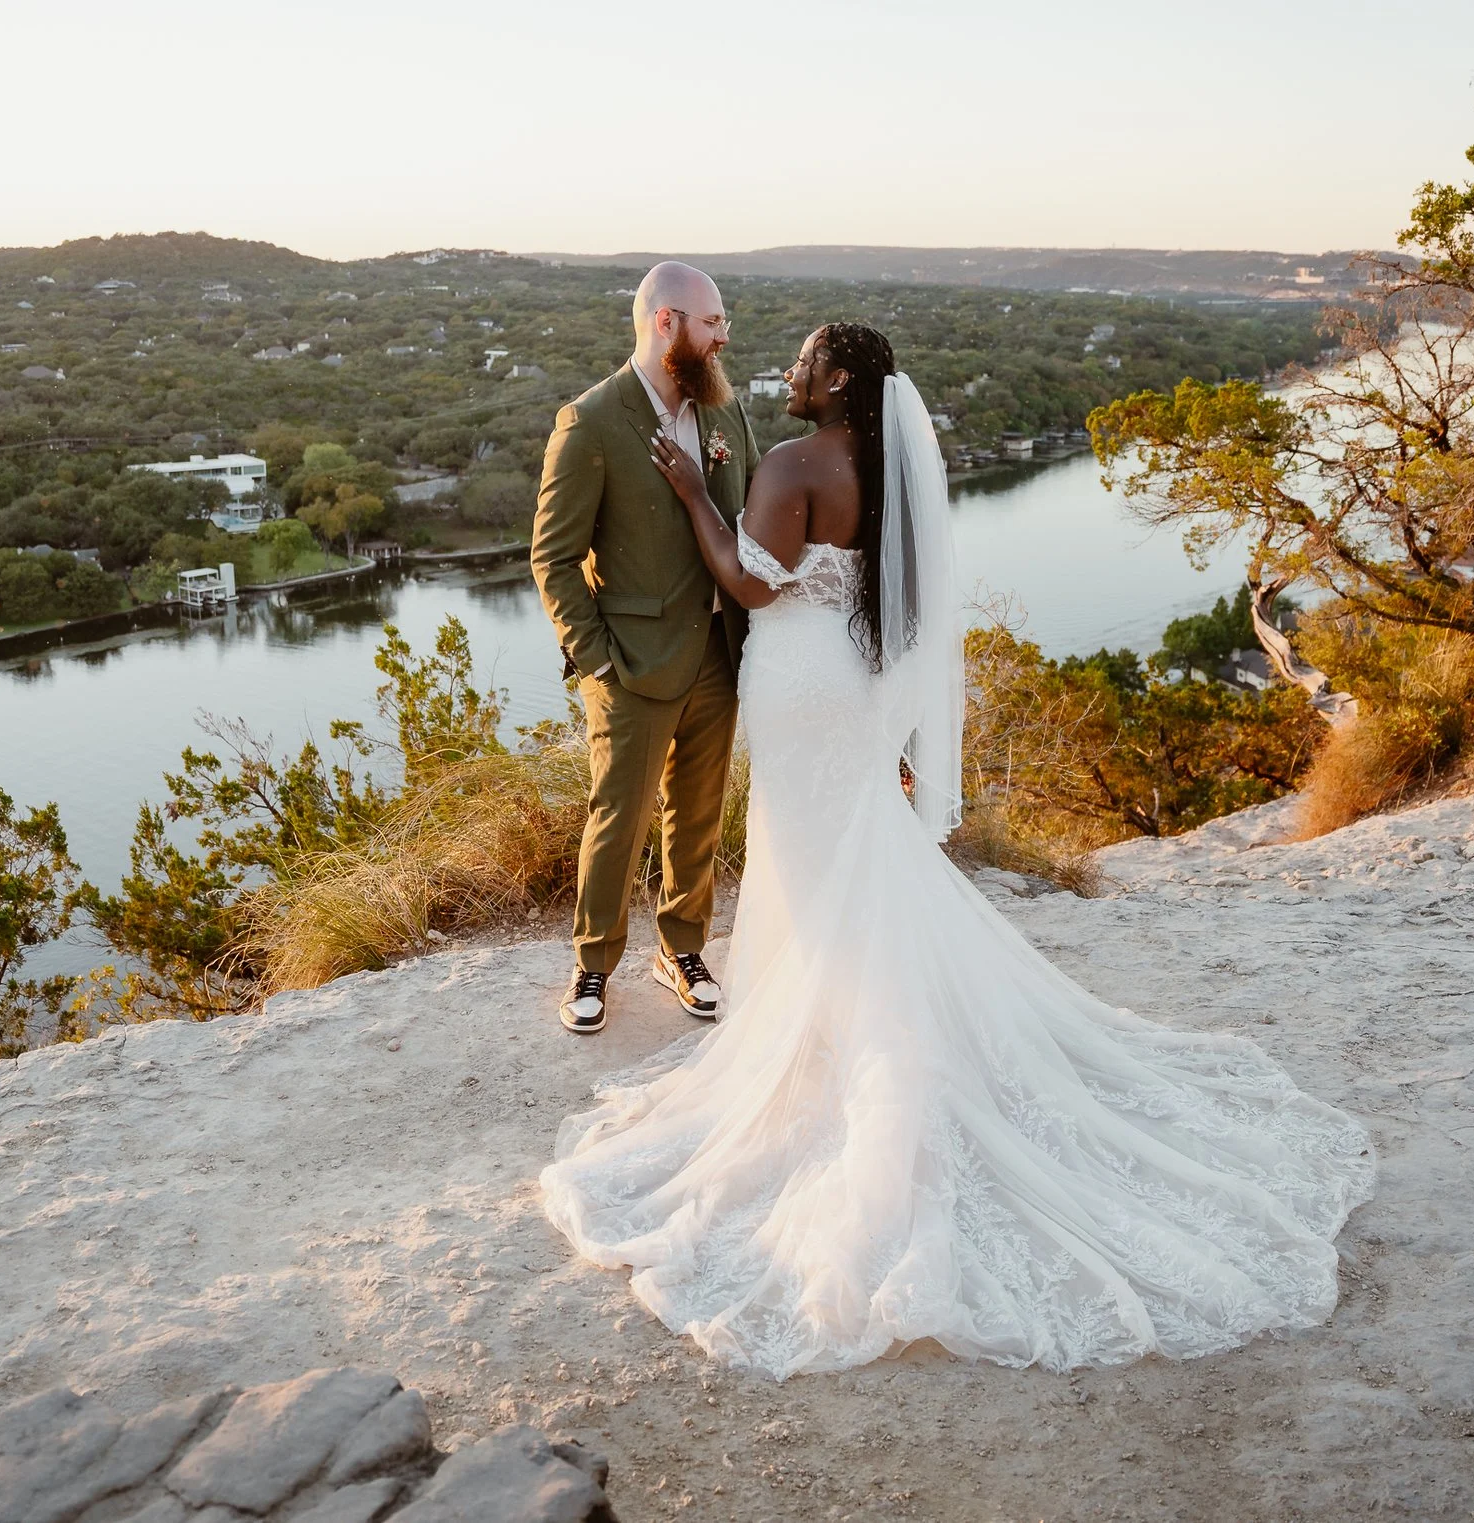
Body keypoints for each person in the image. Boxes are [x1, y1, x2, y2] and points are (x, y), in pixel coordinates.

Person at [538, 322, 1376, 1378]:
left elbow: (750, 584)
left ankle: (837, 1047)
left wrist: (699, 495)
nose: (784, 376)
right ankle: (851, 1029)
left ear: (834, 381)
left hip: (796, 690)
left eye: (800, 363)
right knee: (857, 864)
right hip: (846, 690)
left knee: (808, 871)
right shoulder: (885, 472)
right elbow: (906, 613)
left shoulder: (795, 464)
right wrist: (898, 734)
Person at [530, 261, 759, 1036]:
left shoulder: (726, 416)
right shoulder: (590, 422)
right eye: (713, 322)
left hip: (717, 656)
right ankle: (592, 964)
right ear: (667, 323)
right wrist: (592, 655)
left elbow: (752, 522)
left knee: (697, 813)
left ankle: (683, 950)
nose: (724, 335)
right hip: (627, 664)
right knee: (618, 816)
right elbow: (553, 557)